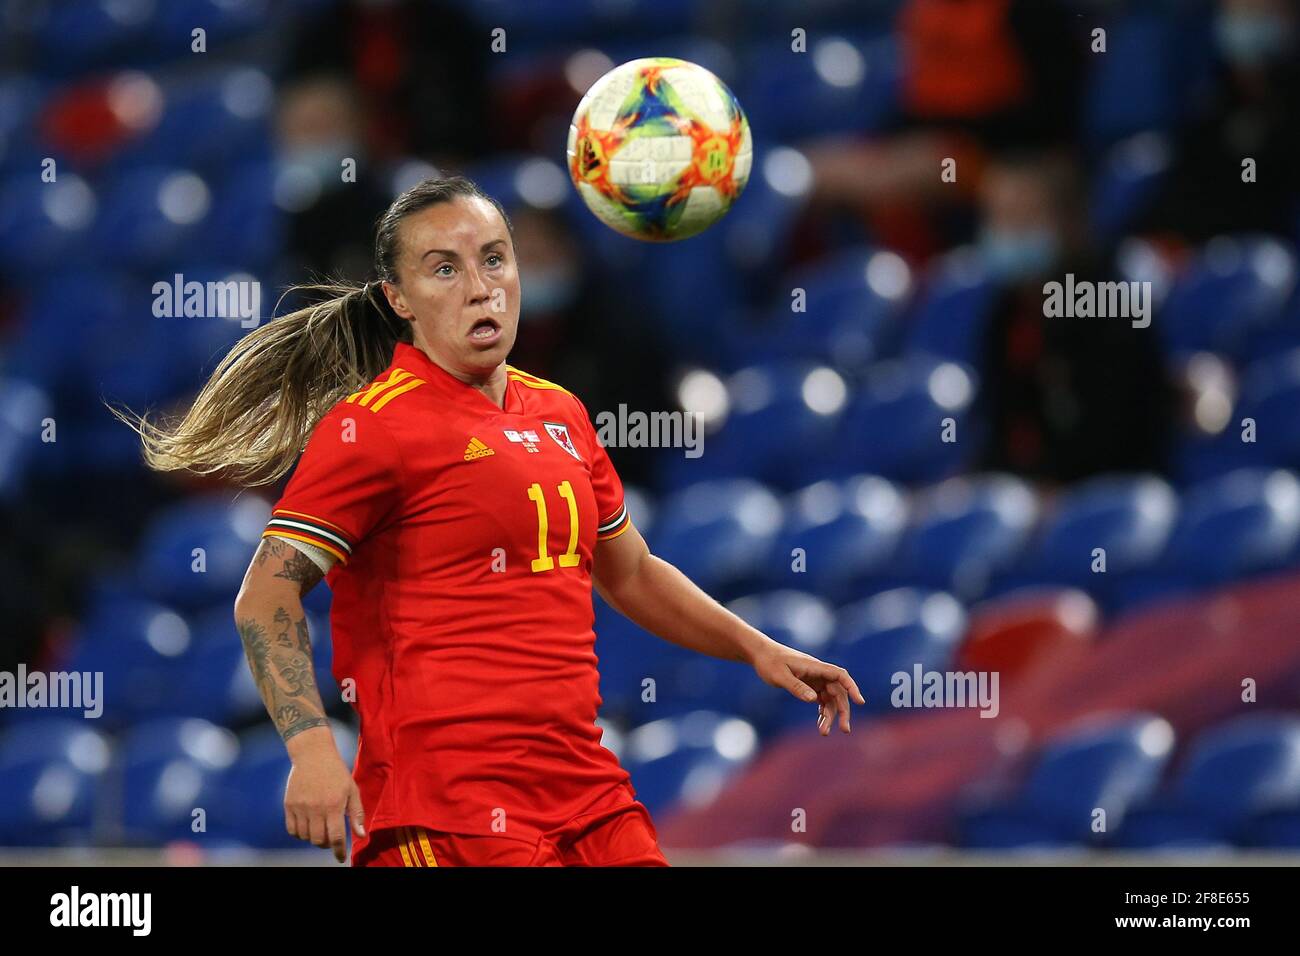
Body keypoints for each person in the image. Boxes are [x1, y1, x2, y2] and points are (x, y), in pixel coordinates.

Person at [115, 176, 864, 867]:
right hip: (447, 813)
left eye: (495, 260)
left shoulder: (561, 413)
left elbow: (630, 571)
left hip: (588, 796)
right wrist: (312, 748)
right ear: (399, 298)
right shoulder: (372, 429)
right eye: (445, 269)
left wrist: (757, 648)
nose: (482, 288)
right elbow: (265, 596)